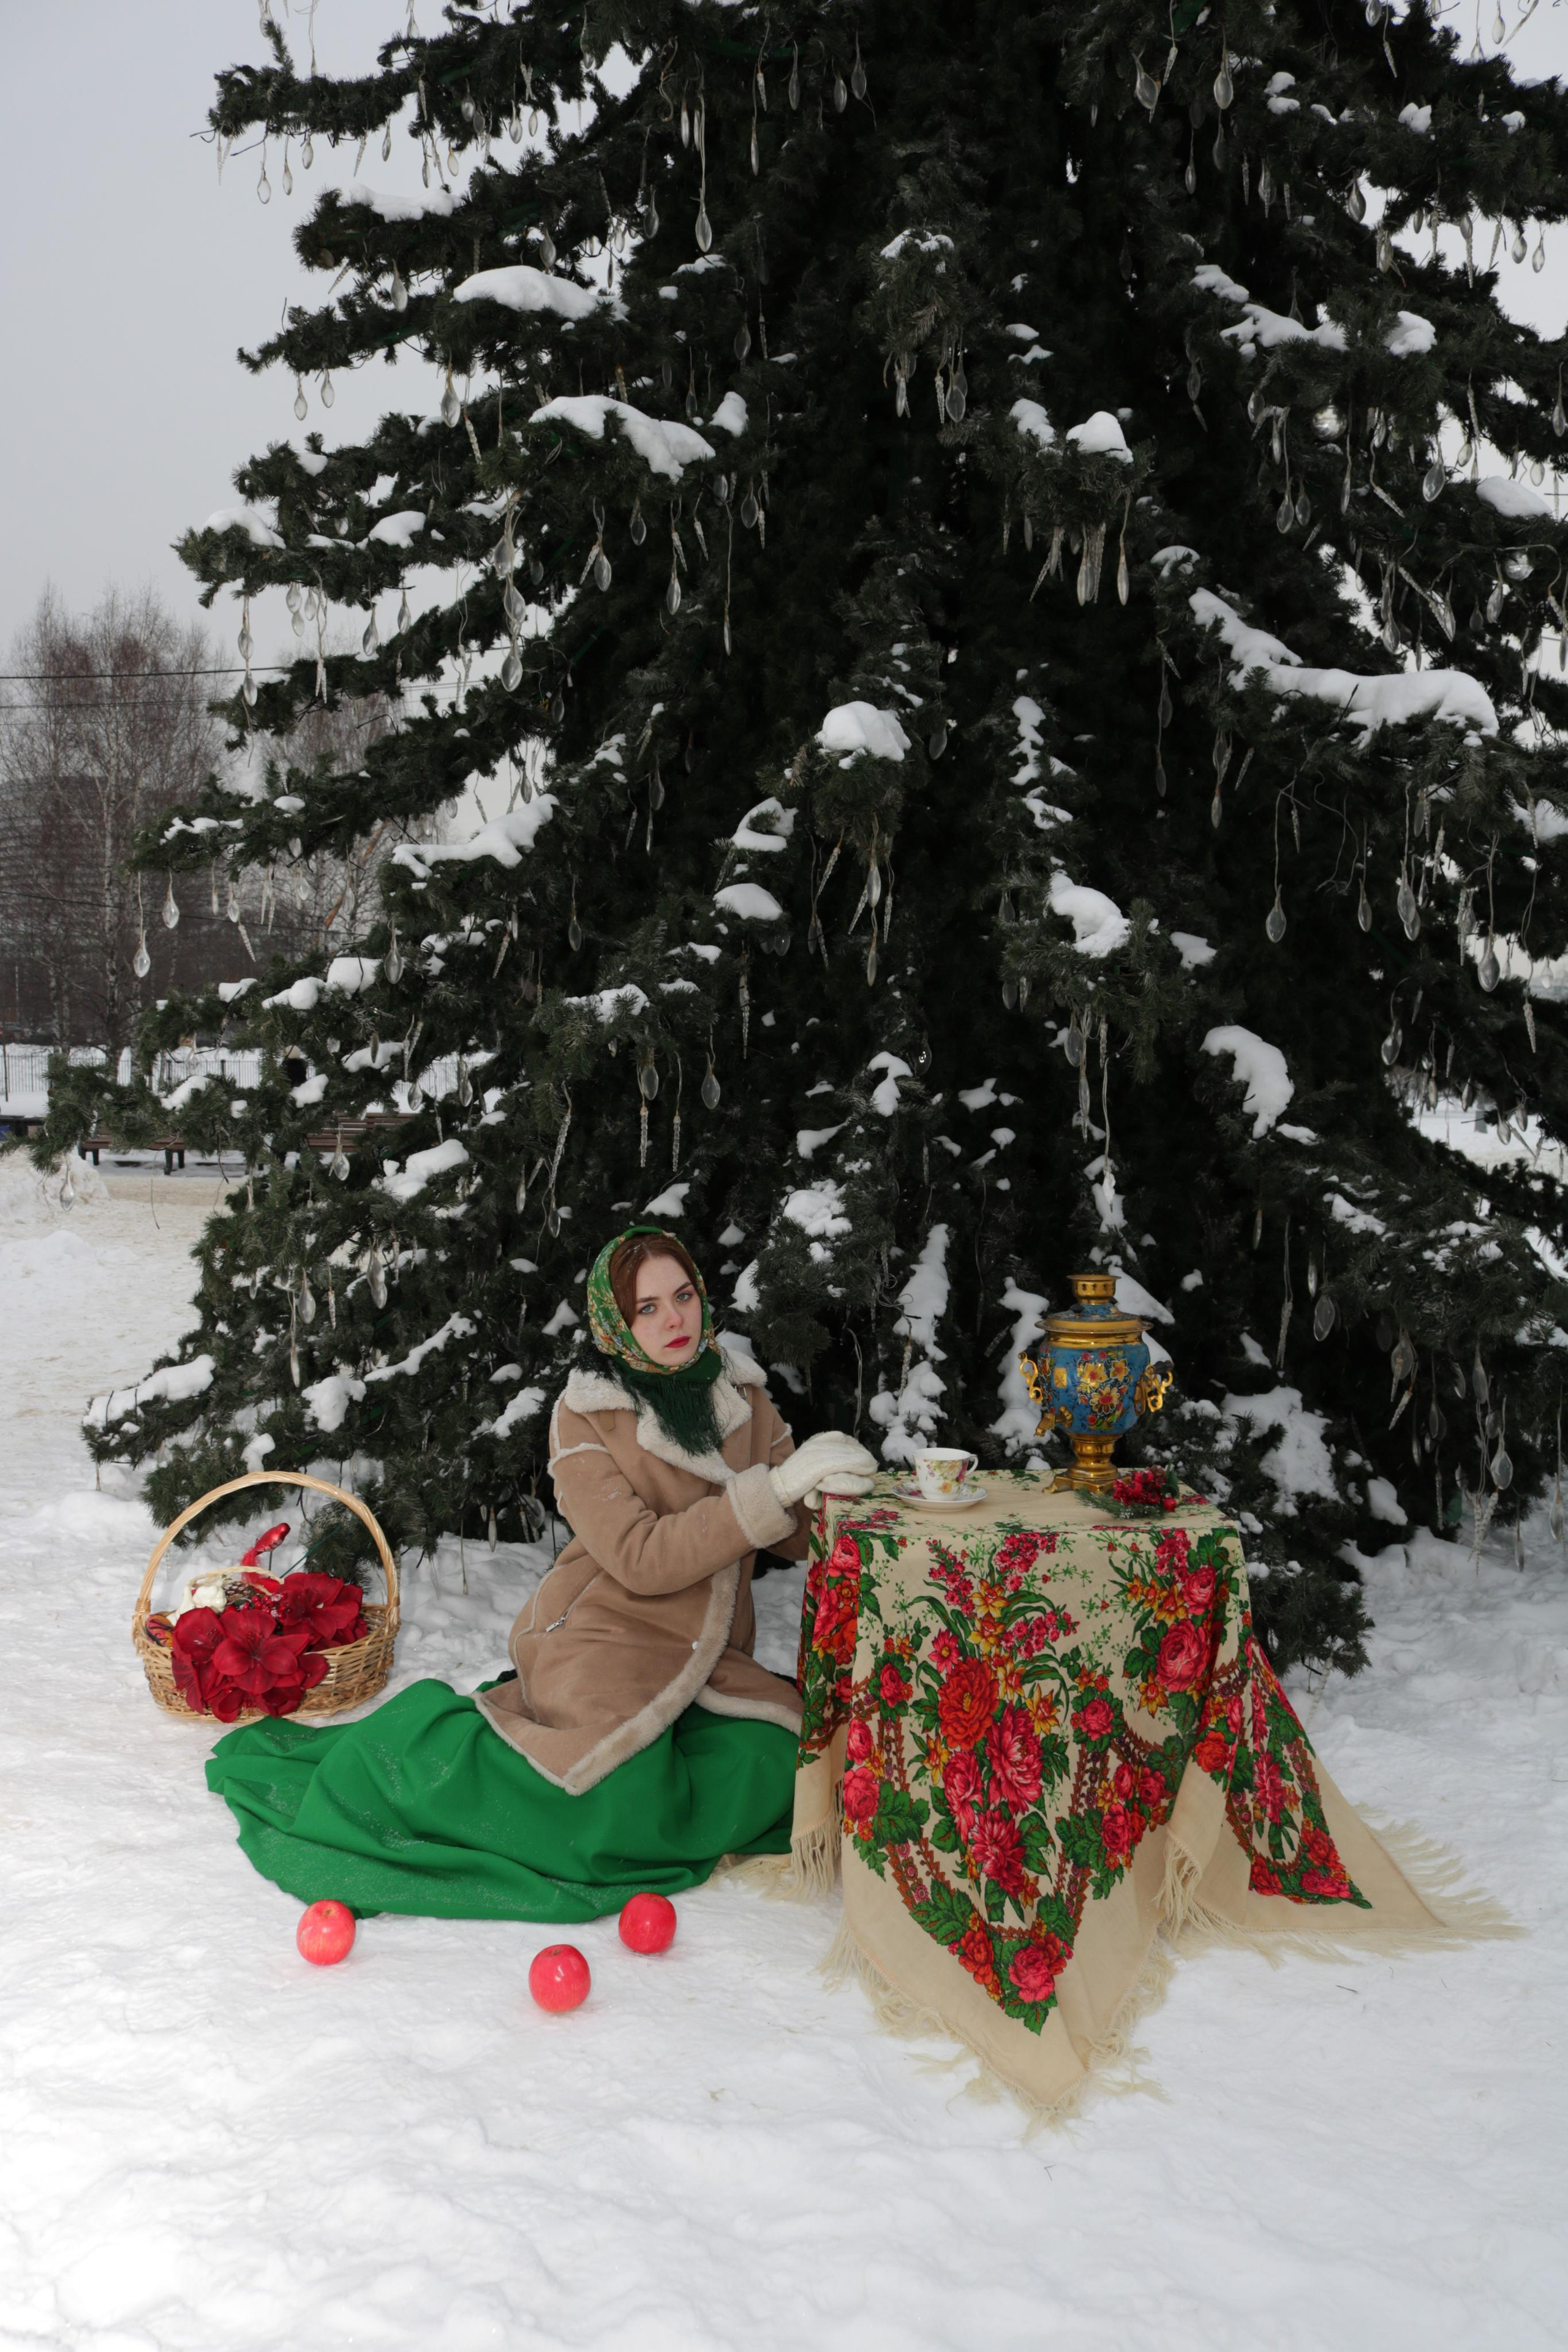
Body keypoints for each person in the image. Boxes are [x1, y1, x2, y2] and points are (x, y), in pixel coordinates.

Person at [203, 1223, 877, 1923]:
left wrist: (826, 1492)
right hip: (607, 1638)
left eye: (683, 1296)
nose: (674, 1319)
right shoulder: (587, 1415)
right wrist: (772, 1491)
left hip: (709, 1658)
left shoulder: (744, 1399)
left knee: (783, 1760)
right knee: (604, 1799)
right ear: (615, 1323)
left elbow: (793, 1535)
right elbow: (640, 1559)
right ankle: (414, 1763)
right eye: (647, 1308)